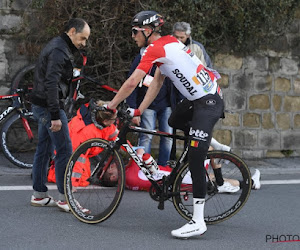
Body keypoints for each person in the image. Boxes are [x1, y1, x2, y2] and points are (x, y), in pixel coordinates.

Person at [107, 10, 223, 238]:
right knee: (173, 120)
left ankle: (198, 221)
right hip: (195, 101)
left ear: (147, 31)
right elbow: (157, 82)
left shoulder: (156, 48)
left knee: (197, 156)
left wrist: (111, 105)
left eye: (135, 31)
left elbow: (133, 82)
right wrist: (139, 109)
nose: (132, 36)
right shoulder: (168, 43)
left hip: (208, 102)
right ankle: (197, 145)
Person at [30, 18, 91, 212]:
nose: (84, 43)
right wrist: (56, 115)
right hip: (50, 107)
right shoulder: (59, 50)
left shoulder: (58, 46)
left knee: (44, 147)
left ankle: (39, 195)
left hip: (42, 104)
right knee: (64, 150)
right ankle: (66, 199)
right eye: (82, 38)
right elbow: (51, 83)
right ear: (72, 31)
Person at [126, 32, 183, 166]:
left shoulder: (168, 59)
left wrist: (179, 103)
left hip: (166, 104)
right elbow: (132, 82)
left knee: (168, 137)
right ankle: (142, 168)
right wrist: (134, 107)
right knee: (146, 136)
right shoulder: (141, 57)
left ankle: (163, 168)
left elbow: (177, 83)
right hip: (147, 105)